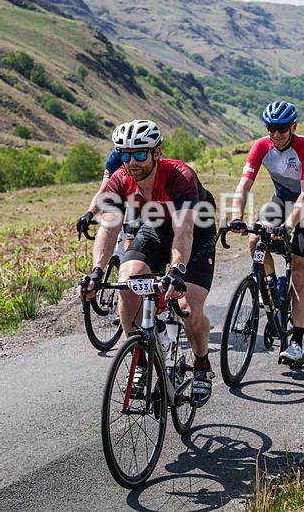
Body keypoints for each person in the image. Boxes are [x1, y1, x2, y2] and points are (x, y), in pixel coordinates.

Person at [79, 119, 217, 406]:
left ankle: (202, 364)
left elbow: (184, 231)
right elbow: (108, 228)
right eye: (125, 154)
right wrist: (96, 272)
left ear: (157, 153)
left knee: (188, 308)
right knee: (127, 285)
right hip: (155, 230)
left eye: (140, 153)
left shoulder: (180, 176)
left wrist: (177, 270)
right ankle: (141, 356)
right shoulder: (119, 180)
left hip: (195, 231)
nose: (132, 161)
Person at [228, 100, 304, 363]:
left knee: (298, 270)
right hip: (281, 200)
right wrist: (237, 216)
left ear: (293, 127)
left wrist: (287, 226)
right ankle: (272, 285)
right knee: (254, 240)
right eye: (271, 128)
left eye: (281, 129)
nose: (275, 134)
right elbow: (243, 186)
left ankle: (296, 340)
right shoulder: (262, 146)